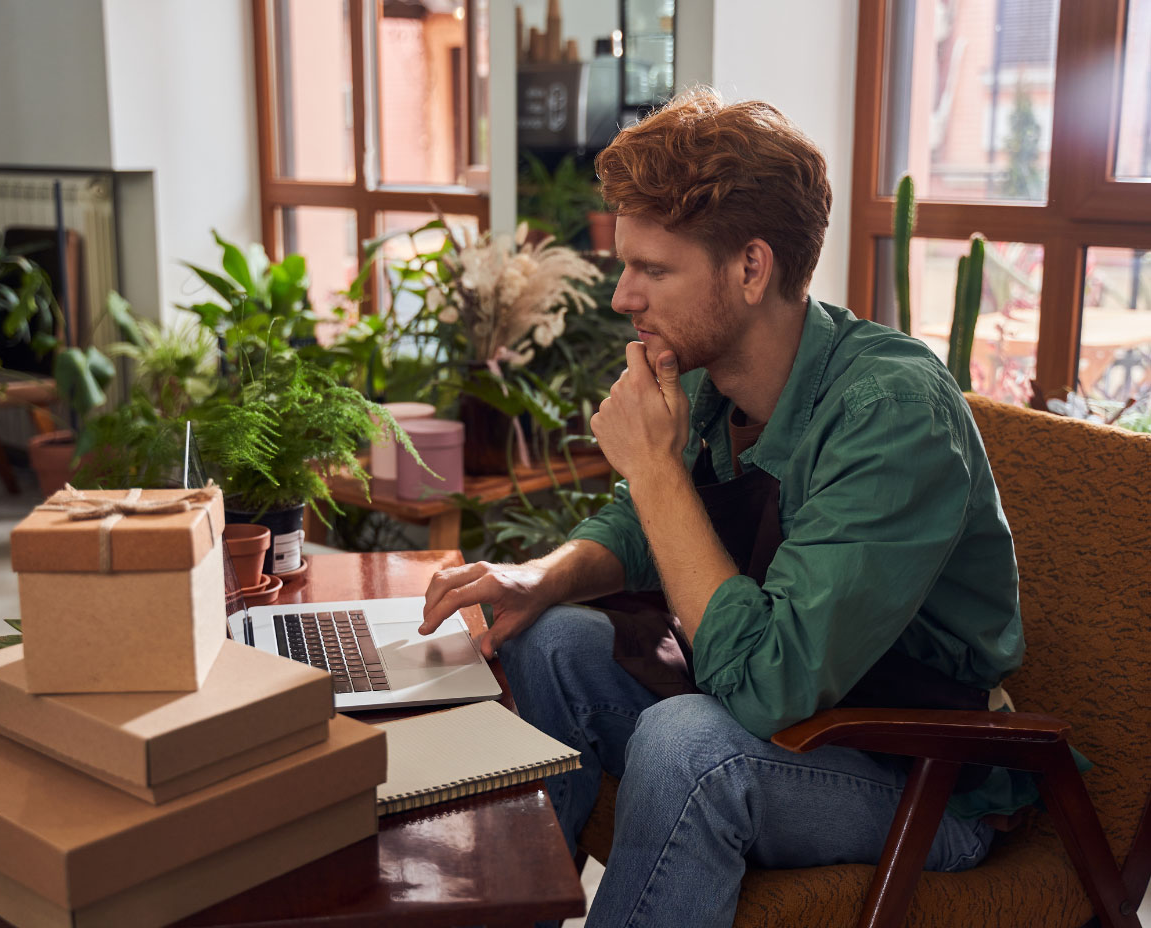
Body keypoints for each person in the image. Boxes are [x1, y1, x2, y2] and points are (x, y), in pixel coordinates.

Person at [419, 89, 1028, 928]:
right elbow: (645, 523)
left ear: (750, 267)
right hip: (796, 721)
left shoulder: (892, 412)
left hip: (918, 773)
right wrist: (543, 575)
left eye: (653, 271)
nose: (622, 297)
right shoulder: (711, 373)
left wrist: (657, 472)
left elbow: (767, 687)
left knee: (687, 748)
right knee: (552, 637)